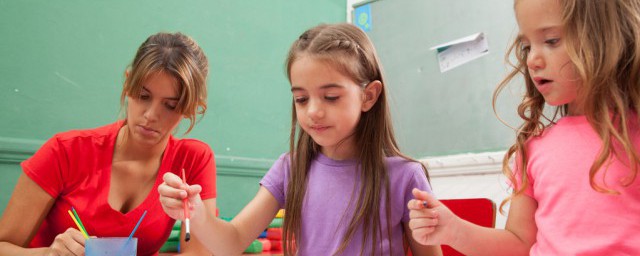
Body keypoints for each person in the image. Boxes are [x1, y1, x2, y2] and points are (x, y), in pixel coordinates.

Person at [158, 23, 442, 255]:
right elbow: (231, 242)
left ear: (368, 96)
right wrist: (196, 215)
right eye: (301, 99)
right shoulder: (290, 170)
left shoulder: (405, 177)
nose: (314, 111)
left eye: (331, 97)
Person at [408, 0, 640, 255]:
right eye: (526, 47)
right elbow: (518, 244)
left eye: (551, 41)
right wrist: (453, 229)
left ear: (608, 38)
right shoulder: (533, 149)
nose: (532, 60)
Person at [0, 32, 217, 255]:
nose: (151, 115)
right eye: (143, 96)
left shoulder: (192, 160)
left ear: (191, 108)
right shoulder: (65, 150)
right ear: (127, 83)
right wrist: (48, 254)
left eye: (170, 105)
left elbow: (198, 253)